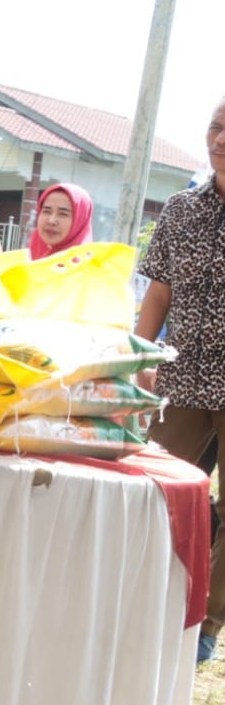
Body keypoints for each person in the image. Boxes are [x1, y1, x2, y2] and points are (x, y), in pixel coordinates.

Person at [135, 96, 225, 665]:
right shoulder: (180, 209)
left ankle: (209, 620)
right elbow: (159, 292)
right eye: (217, 126)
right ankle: (148, 598)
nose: (221, 138)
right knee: (156, 486)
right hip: (183, 372)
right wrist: (139, 359)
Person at [27, 182, 93, 259]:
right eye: (46, 211)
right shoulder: (29, 258)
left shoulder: (85, 268)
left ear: (80, 221)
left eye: (63, 214)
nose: (51, 221)